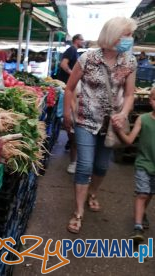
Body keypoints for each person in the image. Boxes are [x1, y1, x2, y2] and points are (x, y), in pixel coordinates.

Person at [64, 17, 137, 234]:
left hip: (111, 125)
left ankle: (92, 192)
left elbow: (131, 94)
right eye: (126, 35)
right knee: (85, 165)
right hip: (85, 120)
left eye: (130, 35)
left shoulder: (129, 62)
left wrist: (124, 113)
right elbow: (70, 88)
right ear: (113, 35)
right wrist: (67, 113)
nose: (130, 39)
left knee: (102, 166)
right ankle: (78, 212)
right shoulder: (88, 58)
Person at [115, 88, 155, 243]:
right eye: (154, 99)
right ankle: (137, 227)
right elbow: (129, 140)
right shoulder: (143, 119)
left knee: (150, 193)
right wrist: (119, 131)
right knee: (142, 193)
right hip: (143, 163)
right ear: (150, 100)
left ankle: (142, 213)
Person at [58, 34, 84, 174]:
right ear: (76, 40)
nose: (83, 41)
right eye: (81, 39)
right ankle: (74, 159)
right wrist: (73, 73)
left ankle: (74, 150)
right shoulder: (72, 50)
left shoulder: (75, 51)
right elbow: (63, 64)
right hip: (68, 85)